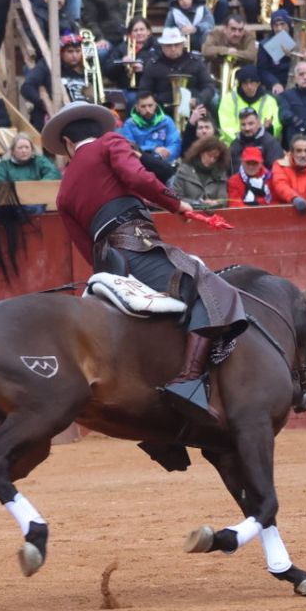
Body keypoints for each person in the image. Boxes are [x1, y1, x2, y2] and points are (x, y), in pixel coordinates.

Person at [45, 102, 248, 422]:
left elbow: (85, 246)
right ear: (98, 132)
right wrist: (175, 203)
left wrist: (108, 276)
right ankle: (189, 381)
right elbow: (135, 175)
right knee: (212, 290)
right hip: (137, 247)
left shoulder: (64, 191)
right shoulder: (110, 143)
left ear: (68, 144)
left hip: (109, 266)